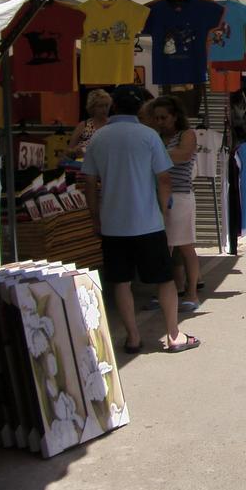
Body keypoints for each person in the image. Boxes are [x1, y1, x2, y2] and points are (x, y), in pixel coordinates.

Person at [82, 85, 200, 354]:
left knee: (121, 282)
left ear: (114, 107)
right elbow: (164, 178)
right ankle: (173, 335)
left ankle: (133, 337)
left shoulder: (99, 138)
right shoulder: (148, 136)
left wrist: (95, 218)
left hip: (113, 224)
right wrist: (162, 209)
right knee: (164, 279)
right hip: (148, 222)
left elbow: (89, 182)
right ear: (139, 109)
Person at [151, 95, 201, 311]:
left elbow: (183, 154)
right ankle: (168, 291)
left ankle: (192, 294)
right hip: (158, 195)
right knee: (164, 248)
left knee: (185, 246)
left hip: (180, 196)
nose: (160, 122)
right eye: (157, 118)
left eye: (164, 117)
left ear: (174, 117)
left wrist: (155, 153)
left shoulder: (187, 134)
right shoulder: (156, 138)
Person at [67, 88, 111, 157]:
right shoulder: (84, 125)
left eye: (106, 105)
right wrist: (75, 151)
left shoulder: (112, 124)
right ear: (92, 107)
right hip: (84, 163)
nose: (104, 109)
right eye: (100, 106)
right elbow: (69, 150)